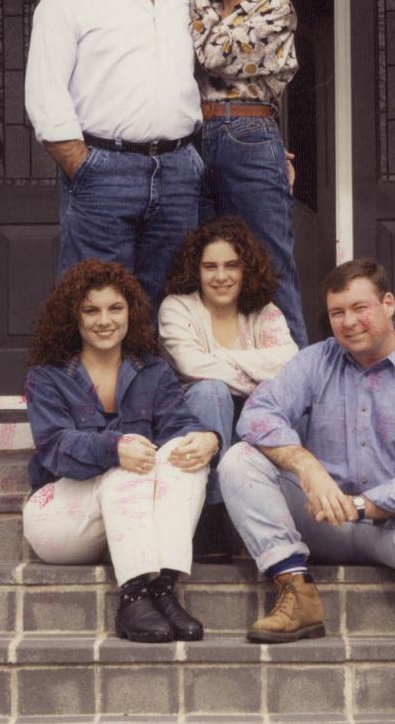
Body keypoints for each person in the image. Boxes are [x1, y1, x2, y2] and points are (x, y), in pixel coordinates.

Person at [219, 259, 395, 724]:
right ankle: (296, 591)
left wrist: (364, 506)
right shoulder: (315, 361)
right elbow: (257, 416)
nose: (349, 322)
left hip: (391, 527)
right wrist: (308, 467)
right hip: (322, 518)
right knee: (240, 459)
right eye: (337, 312)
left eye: (361, 308)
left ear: (388, 304)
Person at [25, 0, 203, 313]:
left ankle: (153, 388)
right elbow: (45, 93)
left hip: (179, 173)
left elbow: (221, 72)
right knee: (95, 306)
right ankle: (85, 387)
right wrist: (82, 166)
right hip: (102, 171)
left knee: (170, 309)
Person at [23, 259, 220, 644]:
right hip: (61, 518)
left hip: (128, 518)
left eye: (115, 308)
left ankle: (162, 589)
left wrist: (208, 437)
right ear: (73, 317)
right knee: (125, 462)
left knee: (185, 451)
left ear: (131, 312)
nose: (104, 320)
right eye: (90, 310)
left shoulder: (152, 370)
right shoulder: (47, 377)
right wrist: (114, 447)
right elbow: (55, 448)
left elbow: (179, 424)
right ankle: (132, 596)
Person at [171, 0, 307, 348]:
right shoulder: (200, 8)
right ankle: (220, 384)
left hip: (247, 136)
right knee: (208, 267)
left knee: (270, 264)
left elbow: (218, 55)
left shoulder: (274, 7)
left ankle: (300, 397)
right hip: (195, 141)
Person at [159, 215, 298, 560]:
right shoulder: (177, 307)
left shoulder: (263, 312)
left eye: (231, 265)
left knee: (269, 402)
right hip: (195, 421)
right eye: (210, 267)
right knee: (211, 392)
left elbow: (290, 363)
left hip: (250, 417)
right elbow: (189, 365)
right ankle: (213, 518)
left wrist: (221, 360)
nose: (221, 276)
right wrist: (256, 371)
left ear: (245, 269)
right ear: (197, 270)